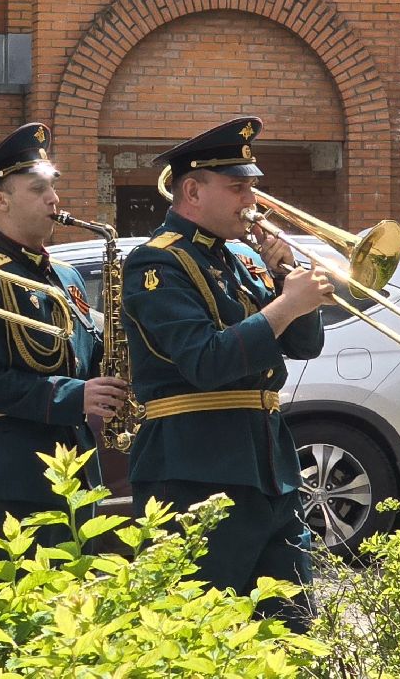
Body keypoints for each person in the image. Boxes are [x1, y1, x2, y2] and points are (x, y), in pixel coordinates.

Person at [122, 116, 331, 629]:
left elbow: (306, 346)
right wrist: (284, 307)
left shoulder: (237, 260)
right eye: (237, 187)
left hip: (267, 467)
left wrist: (285, 280)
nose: (251, 201)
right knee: (205, 634)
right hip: (197, 472)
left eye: (252, 187)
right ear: (192, 191)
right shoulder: (157, 264)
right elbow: (206, 361)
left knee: (293, 632)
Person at [0, 123, 126, 562]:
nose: (54, 199)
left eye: (53, 188)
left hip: (77, 467)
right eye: (38, 189)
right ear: (1, 200)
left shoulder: (65, 277)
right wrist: (75, 394)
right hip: (18, 476)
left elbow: (90, 357)